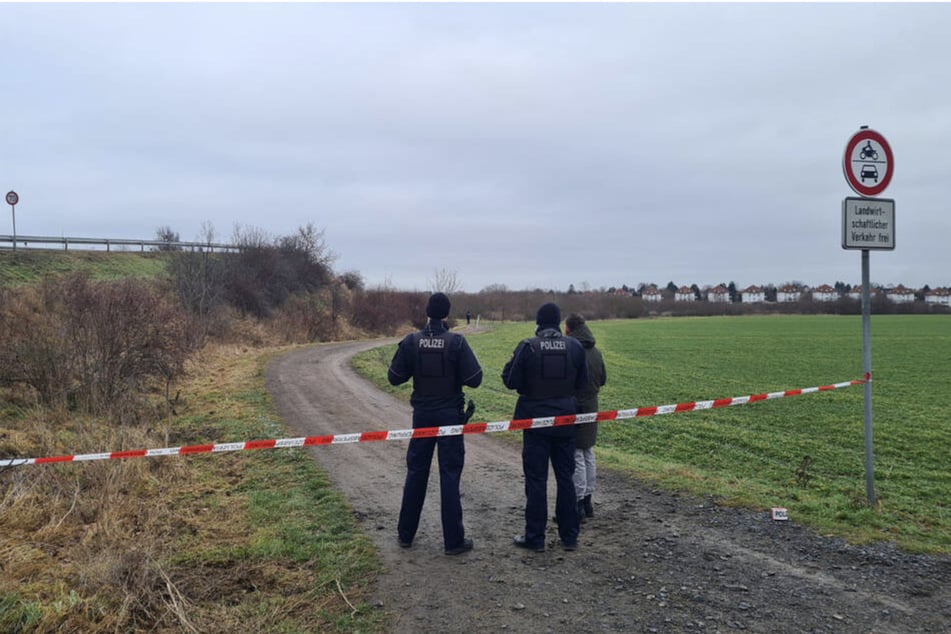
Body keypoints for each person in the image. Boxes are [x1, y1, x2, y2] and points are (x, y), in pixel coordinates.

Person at [388, 292, 483, 555]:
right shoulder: (456, 342)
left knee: (416, 472)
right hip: (450, 417)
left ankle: (405, 534)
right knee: (449, 475)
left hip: (423, 417)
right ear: (447, 313)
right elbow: (475, 379)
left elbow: (394, 377)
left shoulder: (411, 341)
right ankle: (453, 541)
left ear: (427, 313)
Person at [502, 302, 588, 552]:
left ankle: (535, 537)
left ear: (539, 323)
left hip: (535, 422)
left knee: (536, 480)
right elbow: (582, 383)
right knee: (566, 478)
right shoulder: (574, 347)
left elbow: (510, 380)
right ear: (559, 322)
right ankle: (570, 536)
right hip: (565, 421)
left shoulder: (528, 346)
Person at [565, 313, 607, 521]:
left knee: (577, 455)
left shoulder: (573, 351)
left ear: (568, 329)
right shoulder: (597, 352)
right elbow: (604, 379)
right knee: (588, 452)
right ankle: (588, 500)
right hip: (592, 405)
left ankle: (578, 503)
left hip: (576, 406)